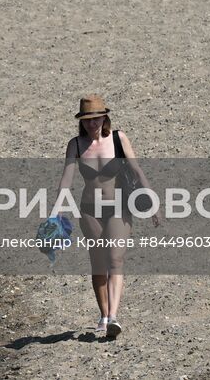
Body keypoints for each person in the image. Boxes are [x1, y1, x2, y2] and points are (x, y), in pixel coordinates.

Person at [53, 95, 155, 340]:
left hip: (119, 206)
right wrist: (58, 209)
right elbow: (66, 179)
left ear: (104, 117)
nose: (92, 124)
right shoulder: (76, 145)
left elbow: (136, 170)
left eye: (96, 118)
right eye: (87, 120)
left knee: (115, 259)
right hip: (90, 210)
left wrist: (153, 202)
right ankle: (103, 314)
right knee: (98, 264)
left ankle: (113, 317)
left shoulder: (119, 139)